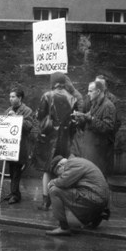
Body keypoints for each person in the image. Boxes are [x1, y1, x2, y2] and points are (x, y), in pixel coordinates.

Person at [34, 72, 82, 211]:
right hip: (65, 139)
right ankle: (64, 199)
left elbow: (40, 115)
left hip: (49, 139)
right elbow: (74, 121)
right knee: (63, 168)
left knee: (47, 170)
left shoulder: (47, 95)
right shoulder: (72, 98)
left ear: (53, 81)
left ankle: (45, 201)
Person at [45, 155, 111, 236]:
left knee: (54, 190)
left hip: (94, 200)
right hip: (101, 201)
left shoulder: (71, 164)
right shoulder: (78, 161)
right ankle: (96, 216)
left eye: (58, 174)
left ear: (60, 166)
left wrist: (51, 183)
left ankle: (63, 228)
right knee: (67, 191)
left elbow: (63, 182)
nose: (60, 176)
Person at [75, 80, 116, 177]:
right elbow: (89, 119)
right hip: (90, 148)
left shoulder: (108, 106)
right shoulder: (95, 103)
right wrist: (81, 118)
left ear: (98, 92)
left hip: (98, 151)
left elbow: (108, 127)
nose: (88, 94)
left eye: (90, 91)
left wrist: (90, 119)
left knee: (97, 176)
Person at [2, 87, 33, 204]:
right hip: (10, 145)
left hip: (20, 146)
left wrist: (16, 118)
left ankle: (16, 195)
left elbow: (29, 126)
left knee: (17, 171)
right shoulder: (8, 110)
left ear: (20, 98)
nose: (10, 99)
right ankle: (13, 192)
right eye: (10, 97)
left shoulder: (27, 110)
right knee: (11, 170)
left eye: (13, 96)